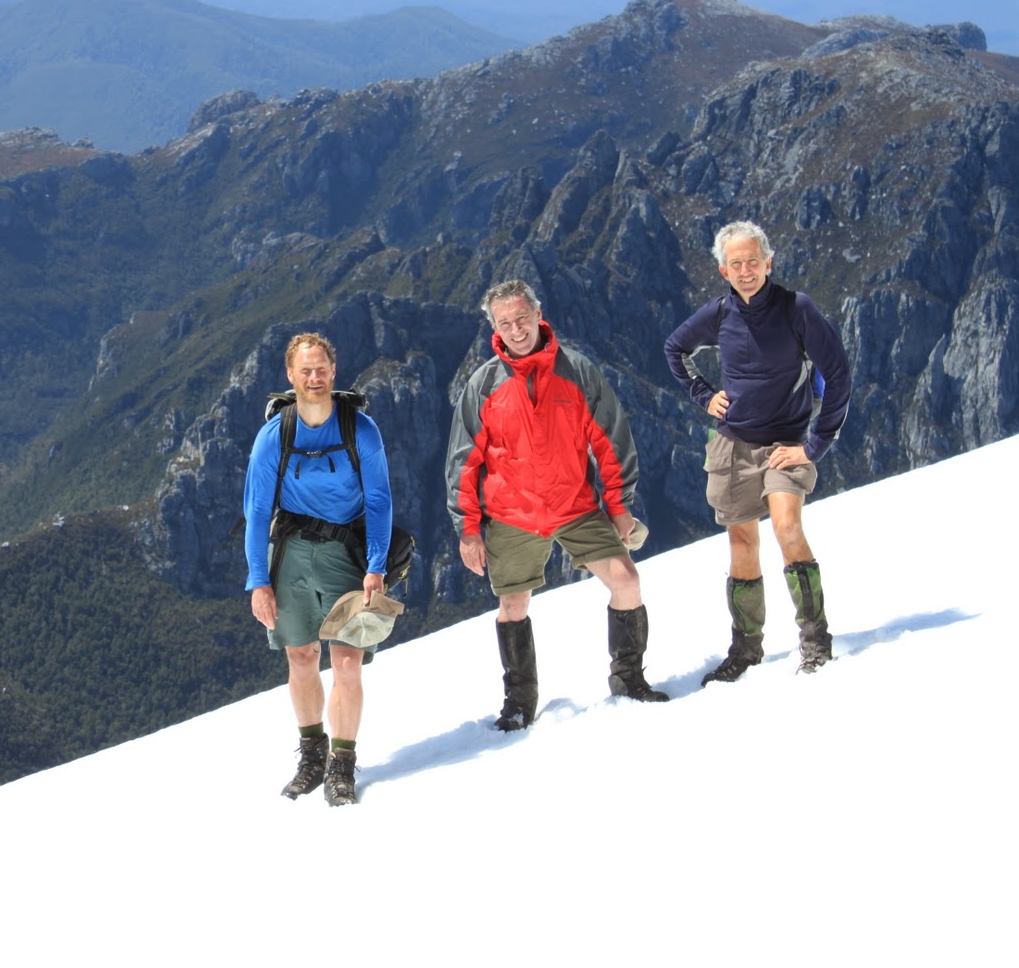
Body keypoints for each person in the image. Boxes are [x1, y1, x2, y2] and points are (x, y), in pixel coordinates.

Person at [446, 280, 668, 732]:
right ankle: (519, 701)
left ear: (537, 314)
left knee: (627, 581)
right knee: (512, 606)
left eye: (521, 318)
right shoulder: (484, 384)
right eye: (505, 323)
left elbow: (610, 440)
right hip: (512, 513)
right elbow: (463, 460)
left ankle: (629, 679)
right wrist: (468, 530)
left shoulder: (577, 371)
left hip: (574, 504)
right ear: (495, 328)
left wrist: (619, 505)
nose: (516, 329)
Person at [664, 220, 852, 680]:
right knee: (742, 540)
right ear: (722, 271)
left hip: (786, 443)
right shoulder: (720, 314)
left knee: (787, 526)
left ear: (768, 263)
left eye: (753, 262)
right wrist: (704, 394)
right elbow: (675, 348)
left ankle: (815, 640)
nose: (746, 270)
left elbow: (839, 371)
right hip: (732, 444)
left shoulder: (796, 309)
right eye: (736, 264)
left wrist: (815, 445)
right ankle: (746, 649)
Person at [242, 333, 392, 806]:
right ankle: (312, 756)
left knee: (347, 662)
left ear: (334, 370)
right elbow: (256, 510)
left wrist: (376, 566)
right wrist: (257, 581)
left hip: (345, 555)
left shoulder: (359, 429)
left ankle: (341, 765)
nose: (314, 377)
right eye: (304, 370)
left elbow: (380, 500)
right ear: (290, 375)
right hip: (288, 553)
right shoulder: (275, 436)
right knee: (301, 656)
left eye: (321, 368)